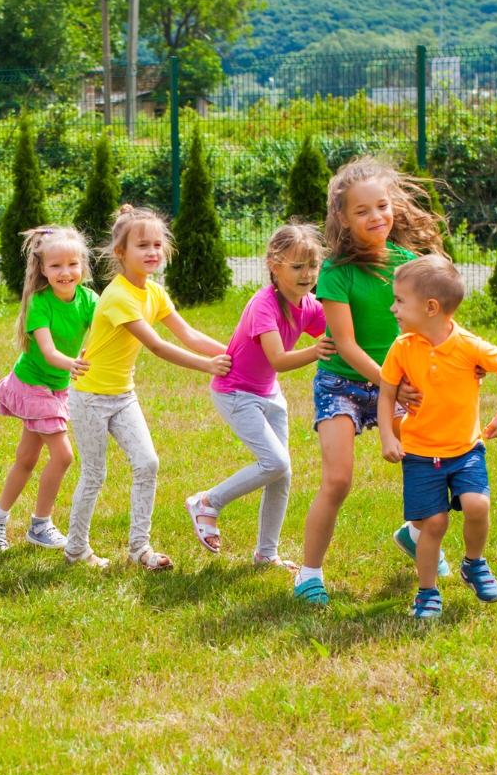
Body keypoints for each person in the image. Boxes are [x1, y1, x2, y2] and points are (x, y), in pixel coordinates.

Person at [293, 157, 450, 606]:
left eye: (381, 206)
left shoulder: (410, 267)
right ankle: (308, 574)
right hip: (342, 386)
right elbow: (344, 343)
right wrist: (392, 386)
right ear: (342, 218)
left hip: (396, 385)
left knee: (432, 469)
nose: (375, 217)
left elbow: (426, 331)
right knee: (338, 480)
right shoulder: (336, 273)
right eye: (361, 211)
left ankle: (414, 533)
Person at [64, 204, 232, 570]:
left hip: (123, 395)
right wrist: (208, 366)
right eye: (143, 246)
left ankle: (140, 549)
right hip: (89, 396)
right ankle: (76, 548)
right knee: (94, 474)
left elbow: (187, 333)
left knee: (148, 463)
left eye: (157, 244)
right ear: (121, 253)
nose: (152, 252)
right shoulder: (119, 295)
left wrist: (236, 353)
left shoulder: (154, 292)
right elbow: (157, 345)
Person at [186, 221, 334, 569]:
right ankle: (207, 502)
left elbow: (337, 328)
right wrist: (318, 350)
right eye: (297, 266)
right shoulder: (263, 304)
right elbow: (279, 359)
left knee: (281, 474)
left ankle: (266, 554)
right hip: (235, 392)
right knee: (276, 462)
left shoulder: (309, 304)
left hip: (269, 394)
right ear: (273, 265)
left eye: (312, 266)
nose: (306, 274)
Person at [378, 255, 497, 617]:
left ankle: (474, 564)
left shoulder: (469, 346)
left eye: (399, 301)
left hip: (466, 449)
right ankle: (427, 592)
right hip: (420, 453)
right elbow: (386, 392)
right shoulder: (403, 348)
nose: (393, 308)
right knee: (435, 523)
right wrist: (388, 439)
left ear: (430, 307)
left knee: (477, 505)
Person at [0, 227, 97, 551]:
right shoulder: (40, 303)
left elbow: (109, 327)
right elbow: (48, 352)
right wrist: (74, 363)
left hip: (57, 387)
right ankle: (40, 524)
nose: (65, 272)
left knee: (27, 458)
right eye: (56, 266)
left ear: (83, 267)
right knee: (63, 456)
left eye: (72, 264)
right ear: (43, 269)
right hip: (33, 386)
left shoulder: (89, 300)